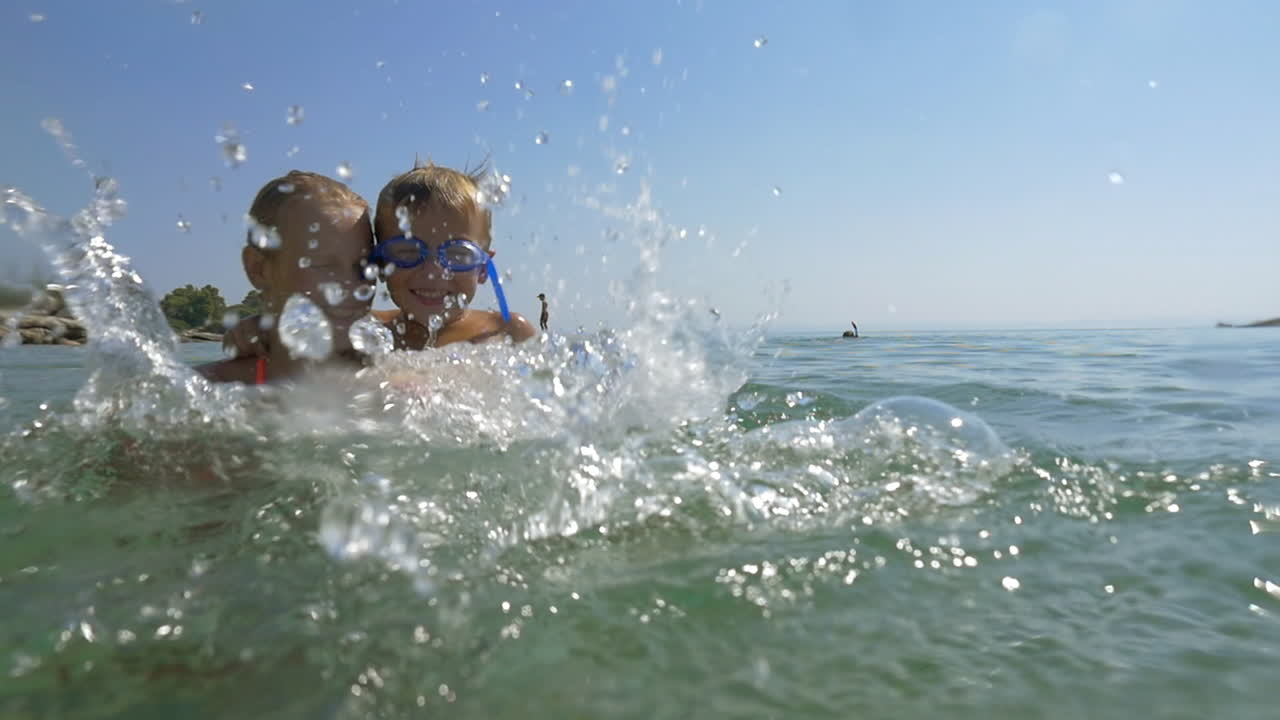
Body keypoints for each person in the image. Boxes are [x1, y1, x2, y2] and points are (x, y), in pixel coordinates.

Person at [198, 171, 376, 383]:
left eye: (364, 266)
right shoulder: (205, 388)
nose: (352, 286)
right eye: (325, 266)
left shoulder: (395, 385)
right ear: (259, 269)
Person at [370, 162, 535, 348]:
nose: (433, 271)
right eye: (409, 252)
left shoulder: (508, 332)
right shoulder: (367, 331)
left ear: (482, 268)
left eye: (457, 254)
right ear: (381, 263)